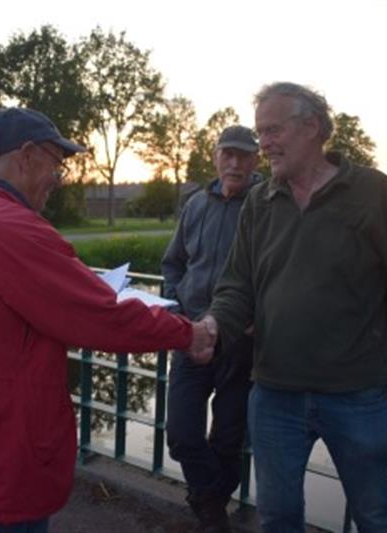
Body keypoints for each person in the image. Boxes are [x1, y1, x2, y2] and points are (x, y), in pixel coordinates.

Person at [0, 107, 217, 533]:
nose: (58, 178)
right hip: (6, 440)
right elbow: (101, 316)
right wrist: (188, 333)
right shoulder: (11, 228)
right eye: (56, 163)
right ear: (26, 156)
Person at [202, 82, 387, 532]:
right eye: (260, 132)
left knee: (375, 514)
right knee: (277, 516)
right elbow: (236, 287)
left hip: (359, 393)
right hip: (274, 393)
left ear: (312, 127)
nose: (263, 143)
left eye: (273, 130)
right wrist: (213, 326)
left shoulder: (372, 191)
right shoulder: (260, 202)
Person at [162, 125, 261, 532]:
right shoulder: (196, 204)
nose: (234, 163)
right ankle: (211, 505)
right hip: (190, 335)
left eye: (243, 155)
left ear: (256, 160)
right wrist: (177, 312)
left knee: (228, 440)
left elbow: (279, 274)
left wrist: (256, 320)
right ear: (216, 156)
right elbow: (173, 263)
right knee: (181, 434)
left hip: (241, 342)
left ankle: (210, 514)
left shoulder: (267, 205)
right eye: (227, 154)